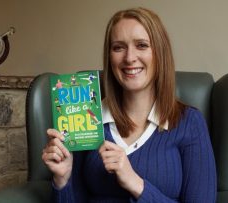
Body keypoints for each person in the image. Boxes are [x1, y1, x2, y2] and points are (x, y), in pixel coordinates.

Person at [42, 7, 217, 202]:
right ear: (109, 58)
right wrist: (62, 179)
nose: (129, 58)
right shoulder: (86, 119)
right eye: (118, 47)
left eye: (141, 45)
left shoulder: (189, 123)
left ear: (160, 54)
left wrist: (136, 183)